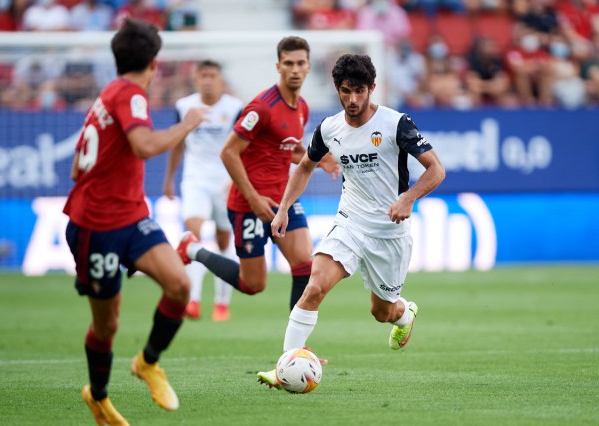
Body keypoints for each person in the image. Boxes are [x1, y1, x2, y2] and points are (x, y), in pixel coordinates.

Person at [255, 53, 445, 388]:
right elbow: (304, 167)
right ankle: (285, 368)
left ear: (372, 88)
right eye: (346, 91)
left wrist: (408, 198)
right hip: (350, 222)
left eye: (360, 91)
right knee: (314, 287)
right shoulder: (329, 128)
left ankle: (405, 314)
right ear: (337, 90)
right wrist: (284, 208)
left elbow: (436, 169)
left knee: (381, 312)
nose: (353, 99)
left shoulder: (395, 123)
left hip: (389, 232)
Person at [63, 18, 206, 425]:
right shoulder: (129, 94)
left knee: (179, 285)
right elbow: (143, 146)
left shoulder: (110, 93)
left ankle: (147, 362)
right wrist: (187, 124)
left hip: (131, 216)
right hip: (96, 227)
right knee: (106, 325)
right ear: (154, 64)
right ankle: (98, 397)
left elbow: (77, 167)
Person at [176, 36, 340, 321]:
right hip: (248, 204)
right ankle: (192, 249)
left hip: (283, 200)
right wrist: (252, 198)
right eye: (288, 63)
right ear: (278, 66)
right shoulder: (261, 107)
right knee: (253, 284)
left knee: (305, 266)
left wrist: (318, 159)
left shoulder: (302, 107)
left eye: (300, 63)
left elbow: (285, 148)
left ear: (308, 66)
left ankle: (295, 344)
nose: (295, 69)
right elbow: (228, 152)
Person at [162, 59, 243, 322]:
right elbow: (178, 143)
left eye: (212, 75)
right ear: (196, 79)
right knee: (192, 236)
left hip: (225, 181)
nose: (208, 80)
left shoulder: (234, 108)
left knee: (223, 241)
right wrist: (169, 178)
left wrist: (237, 179)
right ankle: (193, 300)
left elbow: (243, 146)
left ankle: (222, 302)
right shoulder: (184, 106)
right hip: (195, 179)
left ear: (220, 80)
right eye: (203, 76)